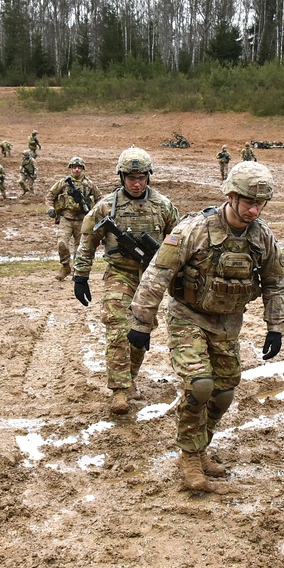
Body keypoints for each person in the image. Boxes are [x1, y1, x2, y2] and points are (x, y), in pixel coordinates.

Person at [129, 161, 284, 490]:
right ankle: (189, 456)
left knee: (224, 392)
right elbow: (158, 273)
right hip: (188, 315)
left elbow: (275, 283)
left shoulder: (262, 237)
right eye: (249, 203)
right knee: (200, 385)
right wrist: (142, 323)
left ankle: (201, 447)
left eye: (262, 204)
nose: (255, 211)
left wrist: (275, 326)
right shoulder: (196, 229)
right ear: (231, 196)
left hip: (228, 323)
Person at [73, 146, 179, 414]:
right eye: (131, 177)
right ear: (121, 177)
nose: (136, 183)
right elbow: (88, 240)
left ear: (148, 177)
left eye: (141, 177)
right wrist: (80, 275)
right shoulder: (107, 206)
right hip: (119, 273)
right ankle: (119, 390)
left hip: (151, 278)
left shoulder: (163, 206)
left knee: (141, 332)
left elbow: (180, 242)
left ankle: (130, 377)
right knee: (117, 327)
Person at [46, 156, 102, 281]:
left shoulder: (89, 184)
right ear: (70, 169)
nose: (76, 170)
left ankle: (77, 271)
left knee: (80, 248)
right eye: (74, 167)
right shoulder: (63, 183)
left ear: (83, 169)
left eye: (79, 168)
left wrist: (95, 213)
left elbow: (100, 199)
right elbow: (50, 195)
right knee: (62, 243)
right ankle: (65, 266)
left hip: (83, 219)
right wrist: (50, 208)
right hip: (66, 218)